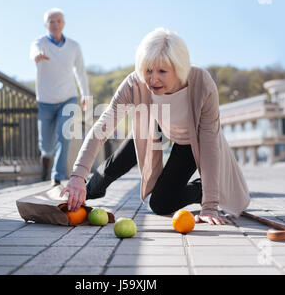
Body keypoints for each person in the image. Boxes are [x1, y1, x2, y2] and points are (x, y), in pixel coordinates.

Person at [61, 28, 250, 225]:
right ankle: (83, 192)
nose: (153, 79)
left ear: (179, 67)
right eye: (148, 70)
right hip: (156, 125)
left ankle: (205, 188)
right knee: (116, 163)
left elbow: (210, 142)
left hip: (192, 139)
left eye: (162, 71)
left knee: (161, 204)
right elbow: (102, 127)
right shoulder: (135, 82)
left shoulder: (202, 83)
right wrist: (78, 176)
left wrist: (209, 205)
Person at [29, 8, 90, 187]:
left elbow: (80, 71)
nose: (55, 24)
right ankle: (45, 160)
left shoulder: (74, 46)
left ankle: (57, 177)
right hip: (45, 100)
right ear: (46, 25)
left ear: (63, 24)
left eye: (58, 21)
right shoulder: (40, 43)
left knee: (64, 135)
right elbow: (33, 51)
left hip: (68, 97)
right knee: (46, 146)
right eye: (51, 21)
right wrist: (36, 55)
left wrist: (85, 94)